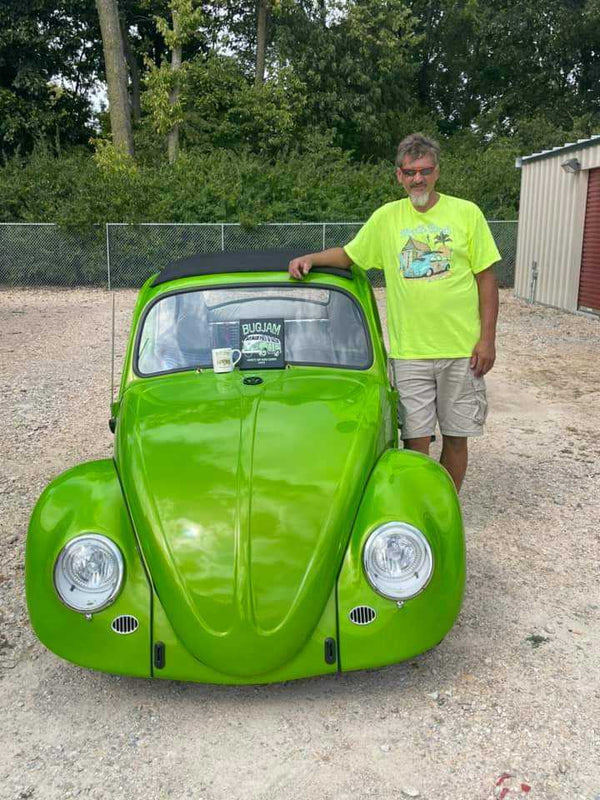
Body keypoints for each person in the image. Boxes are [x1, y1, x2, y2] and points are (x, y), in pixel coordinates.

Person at [288, 132, 500, 492]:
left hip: (461, 350)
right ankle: (416, 508)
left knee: (456, 436)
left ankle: (442, 507)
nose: (418, 179)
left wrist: (487, 340)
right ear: (398, 175)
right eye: (410, 172)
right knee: (415, 442)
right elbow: (349, 255)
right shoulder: (387, 218)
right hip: (409, 353)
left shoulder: (467, 214)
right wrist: (310, 258)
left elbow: (487, 280)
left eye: (425, 171)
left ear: (436, 171)